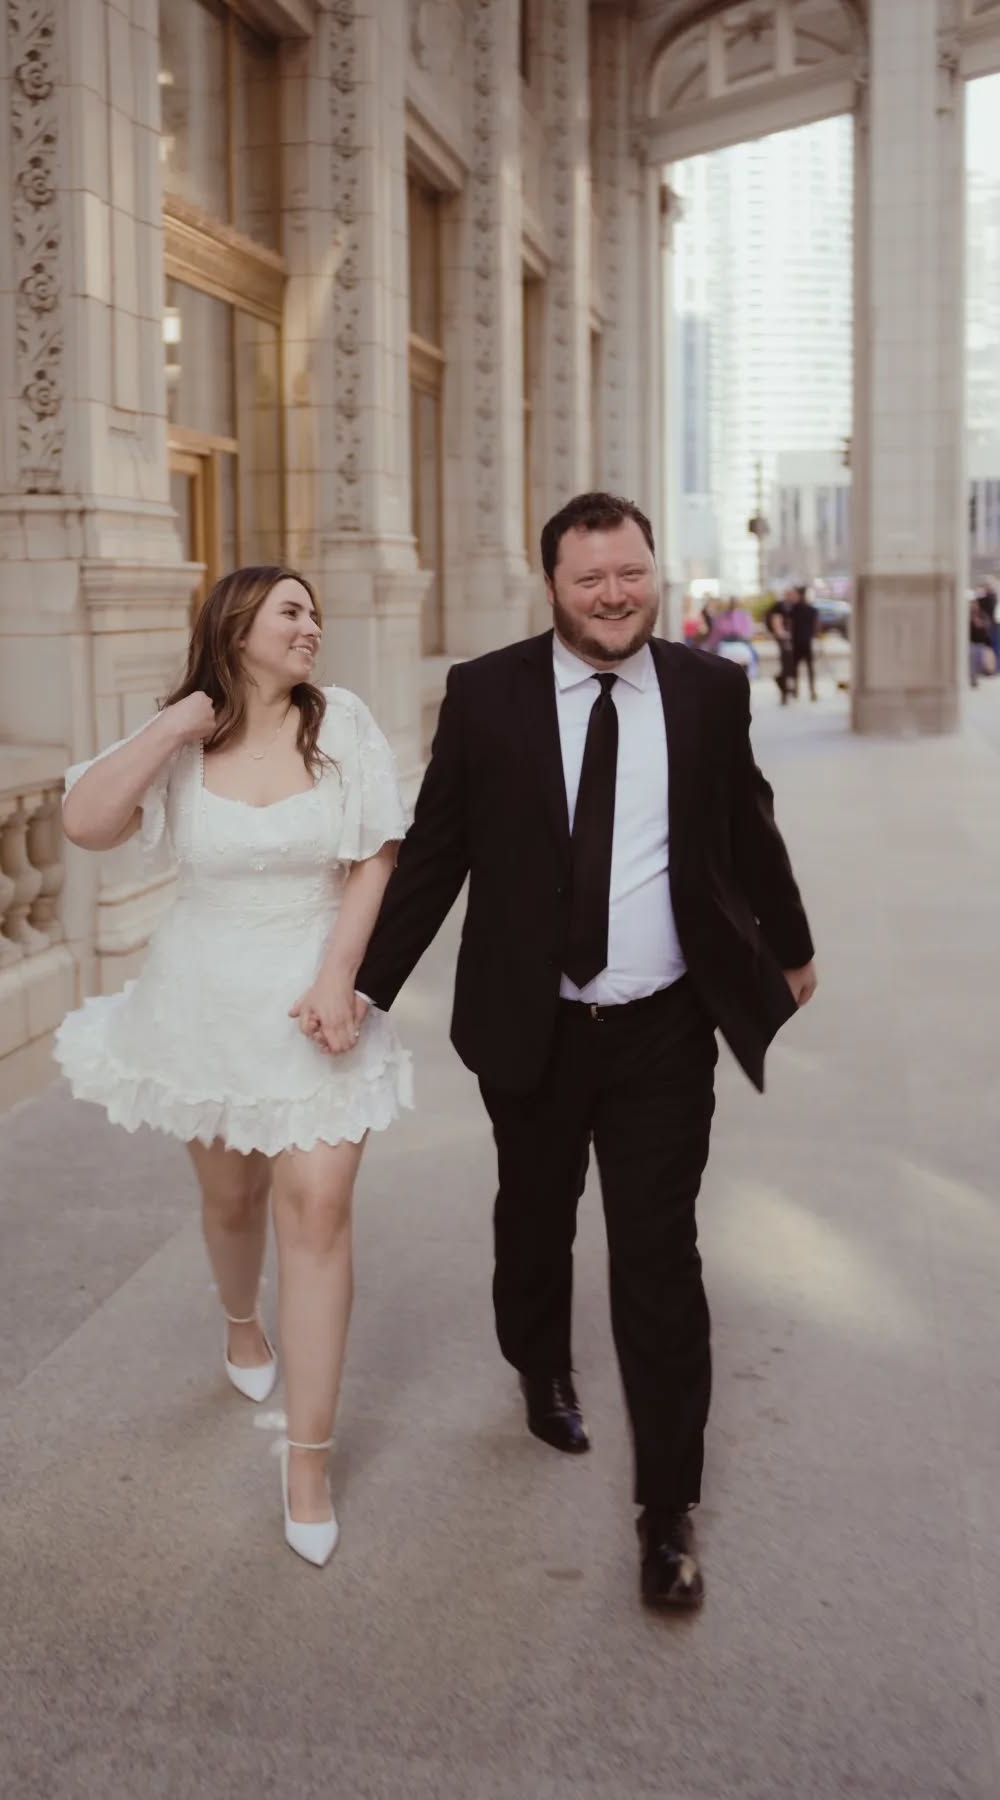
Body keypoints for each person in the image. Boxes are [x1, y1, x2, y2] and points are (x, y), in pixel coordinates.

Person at [355, 492, 817, 1609]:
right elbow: (436, 856)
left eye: (632, 574)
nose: (615, 597)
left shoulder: (711, 689)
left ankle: (667, 1512)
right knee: (534, 1212)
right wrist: (361, 989)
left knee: (659, 1255)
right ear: (550, 584)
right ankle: (539, 1359)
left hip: (663, 1021)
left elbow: (747, 824)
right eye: (589, 579)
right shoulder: (487, 694)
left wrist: (792, 948)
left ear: (655, 571)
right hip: (534, 1019)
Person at [57, 565, 411, 1569]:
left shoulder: (339, 721)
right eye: (293, 610)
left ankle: (307, 1461)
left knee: (317, 1210)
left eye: (315, 612)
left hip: (316, 1000)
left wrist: (341, 977)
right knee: (230, 1203)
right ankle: (241, 1324)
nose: (313, 626)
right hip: (204, 1003)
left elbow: (376, 855)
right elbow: (87, 824)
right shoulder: (182, 737)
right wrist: (174, 726)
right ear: (237, 622)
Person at [765, 588, 797, 704]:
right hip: (784, 640)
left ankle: (788, 688)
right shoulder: (779, 607)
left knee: (789, 665)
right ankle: (783, 687)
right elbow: (776, 623)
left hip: (789, 640)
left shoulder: (792, 607)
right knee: (787, 665)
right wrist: (784, 636)